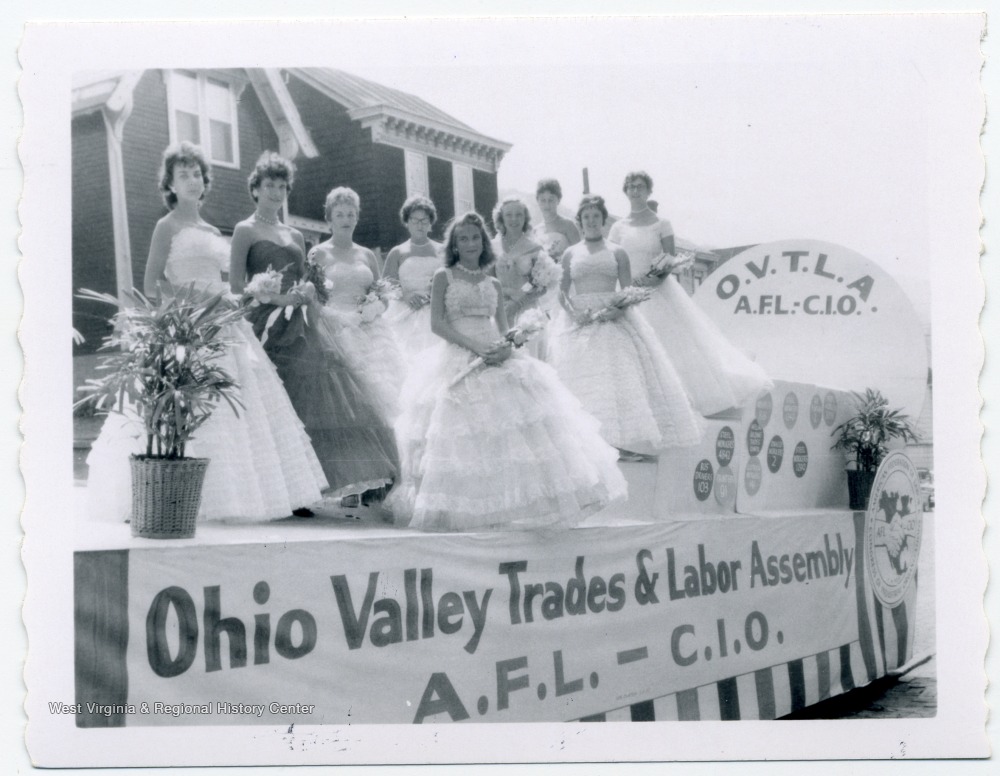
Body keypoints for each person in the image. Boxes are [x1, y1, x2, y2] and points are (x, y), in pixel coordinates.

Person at [87, 142, 328, 523]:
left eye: (197, 173)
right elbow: (152, 284)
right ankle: (168, 493)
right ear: (170, 184)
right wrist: (197, 301)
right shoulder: (165, 226)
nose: (193, 180)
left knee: (240, 404)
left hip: (223, 319)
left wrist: (251, 292)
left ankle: (239, 497)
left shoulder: (211, 228)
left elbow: (225, 281)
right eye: (183, 175)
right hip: (189, 322)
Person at [388, 211, 627, 532]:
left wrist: (504, 348)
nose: (470, 243)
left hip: (496, 353)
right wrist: (474, 347)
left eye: (475, 237)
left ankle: (504, 508)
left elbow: (503, 327)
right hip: (458, 352)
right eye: (463, 239)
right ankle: (465, 511)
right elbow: (438, 324)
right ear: (455, 245)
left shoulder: (494, 283)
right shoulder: (444, 276)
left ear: (483, 242)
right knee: (459, 431)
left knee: (518, 422)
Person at [230, 153, 398, 501]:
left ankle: (306, 486)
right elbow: (236, 287)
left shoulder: (294, 233)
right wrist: (274, 299)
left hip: (301, 326)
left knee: (314, 400)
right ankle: (277, 491)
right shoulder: (244, 230)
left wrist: (306, 291)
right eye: (269, 186)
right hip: (263, 324)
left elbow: (311, 281)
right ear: (255, 189)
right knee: (273, 402)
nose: (275, 193)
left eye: (281, 186)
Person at [607, 170, 771, 415]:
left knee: (669, 347)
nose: (635, 191)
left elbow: (669, 261)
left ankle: (675, 404)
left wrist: (652, 280)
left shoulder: (662, 224)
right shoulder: (618, 227)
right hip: (628, 291)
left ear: (649, 190)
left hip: (656, 291)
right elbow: (613, 261)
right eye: (630, 187)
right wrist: (627, 288)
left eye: (640, 186)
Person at [551, 195, 702, 456]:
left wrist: (617, 308)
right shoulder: (569, 253)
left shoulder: (617, 252)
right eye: (586, 217)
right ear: (580, 221)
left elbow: (629, 289)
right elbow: (562, 292)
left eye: (596, 216)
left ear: (603, 220)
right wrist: (574, 313)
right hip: (581, 319)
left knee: (614, 379)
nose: (591, 221)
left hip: (612, 318)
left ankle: (618, 443)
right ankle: (582, 446)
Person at [309, 186, 406, 420]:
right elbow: (311, 297)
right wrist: (337, 317)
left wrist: (375, 306)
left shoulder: (367, 255)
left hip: (370, 329)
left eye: (351, 214)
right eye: (340, 214)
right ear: (329, 219)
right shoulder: (318, 254)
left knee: (384, 388)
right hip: (334, 328)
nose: (346, 220)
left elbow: (382, 293)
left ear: (357, 218)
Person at [490, 195, 559, 359]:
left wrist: (518, 301)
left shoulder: (534, 247)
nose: (514, 219)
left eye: (519, 215)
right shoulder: (492, 246)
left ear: (525, 217)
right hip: (500, 309)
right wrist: (504, 296)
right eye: (509, 215)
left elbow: (541, 285)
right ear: (501, 218)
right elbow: (487, 280)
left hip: (527, 311)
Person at [381, 195, 443, 365]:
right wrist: (406, 295)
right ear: (407, 222)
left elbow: (451, 280)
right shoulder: (398, 252)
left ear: (431, 223)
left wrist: (436, 291)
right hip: (404, 310)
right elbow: (386, 286)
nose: (420, 225)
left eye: (424, 220)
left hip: (435, 311)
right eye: (415, 220)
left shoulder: (441, 250)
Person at [533, 178, 581, 261]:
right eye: (543, 200)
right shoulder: (535, 230)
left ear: (558, 200)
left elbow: (579, 255)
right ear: (538, 201)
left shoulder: (568, 225)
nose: (547, 204)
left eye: (551, 200)